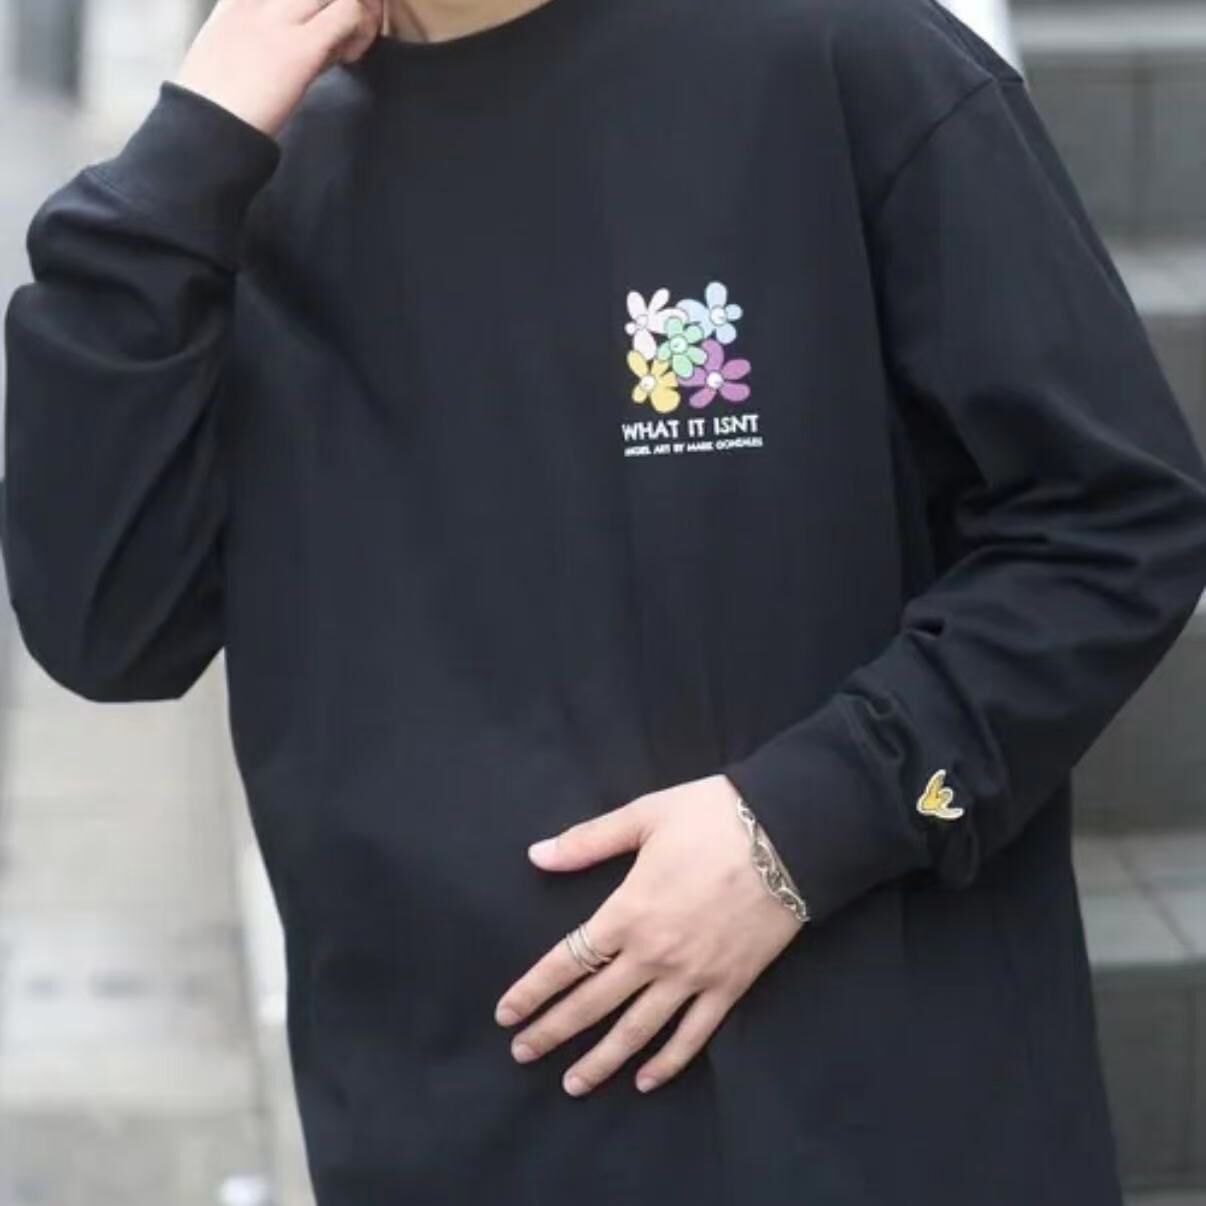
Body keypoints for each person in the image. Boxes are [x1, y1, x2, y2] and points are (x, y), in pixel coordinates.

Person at [4, 0, 1206, 1202]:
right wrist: (190, 144)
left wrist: (808, 821)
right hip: (441, 1129)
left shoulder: (837, 54)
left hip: (858, 1114)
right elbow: (108, 624)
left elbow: (1114, 517)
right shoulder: (245, 174)